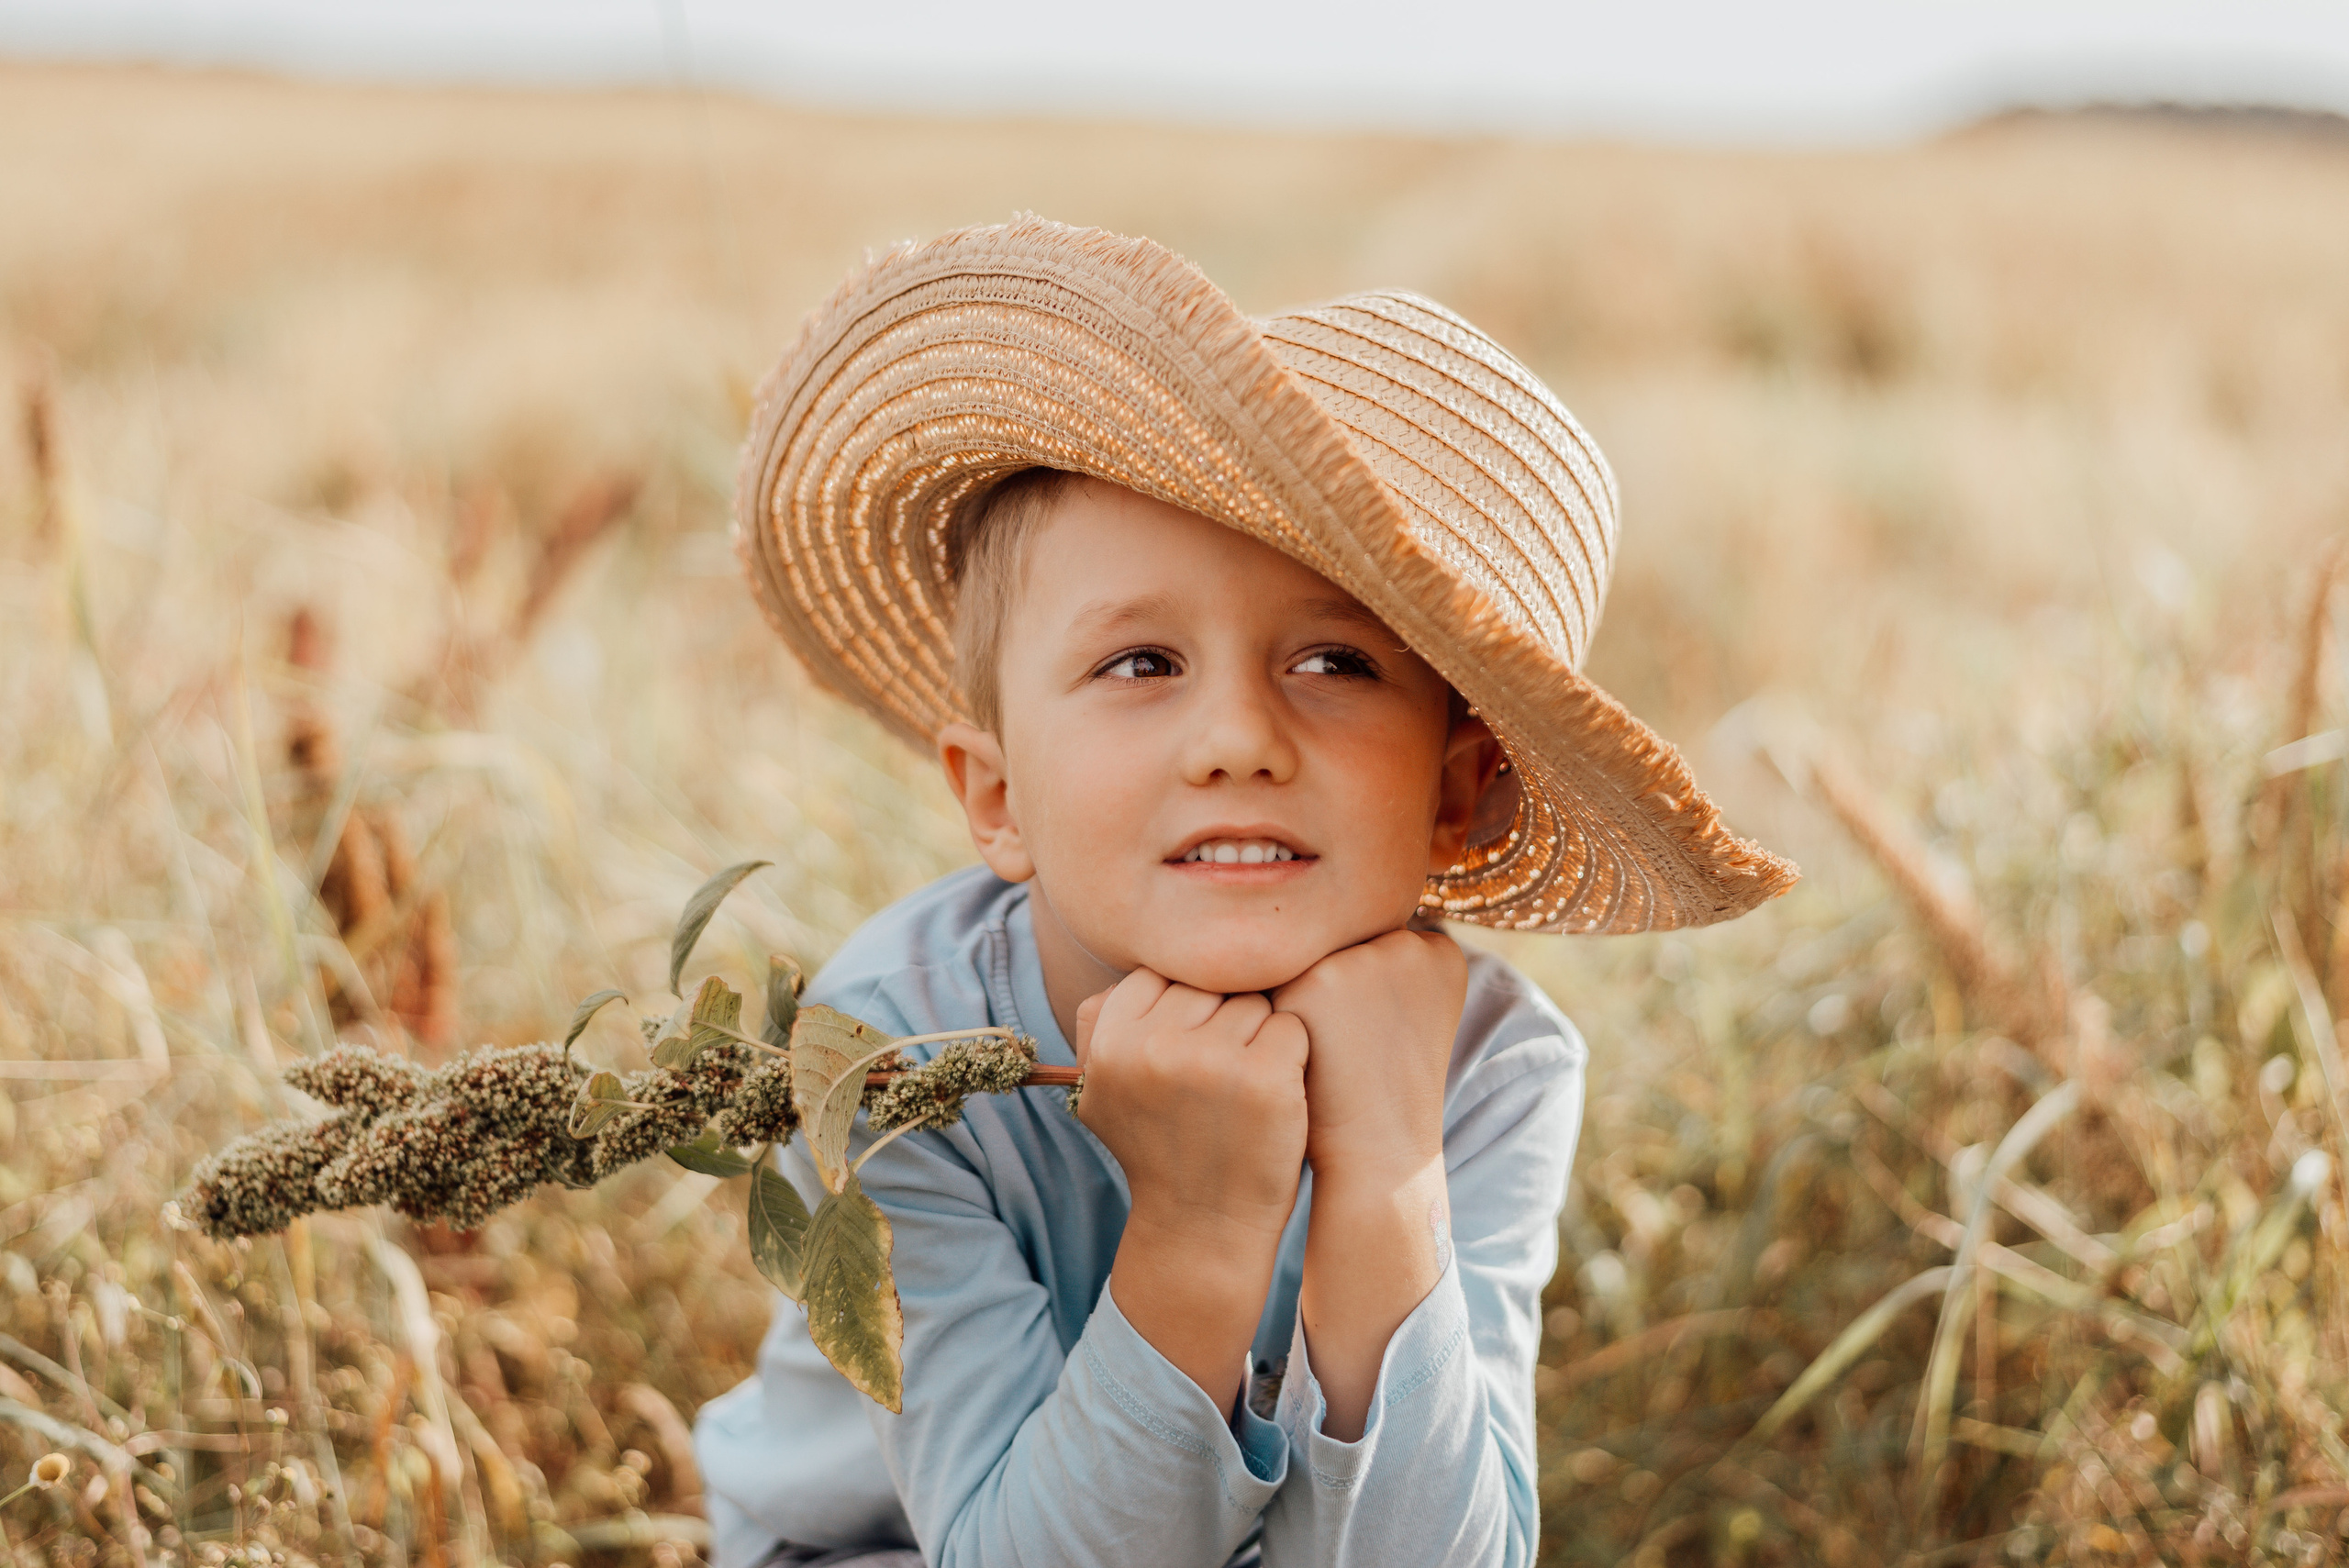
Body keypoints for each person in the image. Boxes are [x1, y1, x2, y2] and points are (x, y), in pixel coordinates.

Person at [695, 217, 1796, 1567]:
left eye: (1335, 662)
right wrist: (1202, 1228)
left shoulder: (1490, 1072)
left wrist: (1387, 1171)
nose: (1238, 737)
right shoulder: (888, 1052)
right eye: (1142, 662)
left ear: (1458, 792)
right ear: (995, 797)